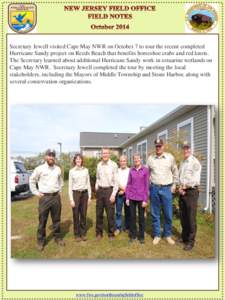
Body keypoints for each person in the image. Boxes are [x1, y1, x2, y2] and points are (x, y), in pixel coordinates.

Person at [29, 149, 65, 251]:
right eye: (49, 155)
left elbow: (60, 181)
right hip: (44, 198)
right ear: (45, 157)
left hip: (56, 198)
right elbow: (32, 180)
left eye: (53, 155)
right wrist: (36, 192)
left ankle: (57, 238)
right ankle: (41, 241)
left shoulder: (58, 169)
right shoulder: (39, 169)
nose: (51, 157)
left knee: (57, 220)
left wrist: (60, 190)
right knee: (42, 220)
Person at [147, 139, 178, 246]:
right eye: (156, 146)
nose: (158, 148)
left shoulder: (170, 157)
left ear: (163, 146)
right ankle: (157, 235)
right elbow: (147, 174)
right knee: (155, 213)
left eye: (160, 146)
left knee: (168, 213)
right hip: (154, 188)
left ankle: (167, 235)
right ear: (155, 147)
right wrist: (148, 187)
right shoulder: (150, 159)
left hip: (166, 189)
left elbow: (175, 171)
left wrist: (174, 185)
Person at [178, 141, 202, 251]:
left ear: (191, 149)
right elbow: (180, 177)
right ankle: (184, 237)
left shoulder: (195, 162)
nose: (186, 150)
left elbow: (195, 180)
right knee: (183, 216)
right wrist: (179, 187)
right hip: (182, 191)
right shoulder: (183, 162)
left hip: (191, 192)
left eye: (187, 148)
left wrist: (184, 187)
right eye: (184, 148)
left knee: (191, 217)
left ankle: (191, 241)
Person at [95, 147, 119, 240]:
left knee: (110, 214)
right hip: (100, 191)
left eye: (106, 153)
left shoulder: (113, 165)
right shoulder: (99, 165)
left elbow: (116, 181)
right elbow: (97, 177)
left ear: (109, 154)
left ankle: (111, 233)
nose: (104, 155)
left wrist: (113, 194)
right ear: (101, 155)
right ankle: (99, 233)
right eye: (103, 153)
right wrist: (96, 186)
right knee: (99, 213)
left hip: (109, 190)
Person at [125, 153, 149, 244]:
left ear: (140, 159)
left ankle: (141, 236)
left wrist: (145, 199)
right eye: (134, 159)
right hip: (132, 197)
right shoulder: (131, 170)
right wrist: (127, 197)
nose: (136, 160)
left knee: (141, 218)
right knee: (132, 217)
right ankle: (133, 235)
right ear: (133, 160)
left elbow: (147, 185)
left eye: (138, 158)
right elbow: (129, 184)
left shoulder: (145, 170)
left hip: (141, 198)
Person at [68, 153, 91, 242]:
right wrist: (71, 199)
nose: (78, 160)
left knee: (83, 214)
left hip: (84, 194)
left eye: (80, 159)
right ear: (75, 160)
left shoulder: (86, 170)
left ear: (82, 160)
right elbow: (70, 186)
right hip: (76, 194)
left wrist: (89, 197)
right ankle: (77, 234)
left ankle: (83, 233)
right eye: (77, 159)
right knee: (75, 214)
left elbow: (88, 183)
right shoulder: (71, 171)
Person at [114, 155, 130, 236]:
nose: (123, 162)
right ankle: (118, 228)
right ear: (119, 162)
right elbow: (116, 182)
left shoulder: (130, 171)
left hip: (128, 194)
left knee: (128, 211)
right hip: (119, 193)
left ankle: (127, 227)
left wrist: (125, 190)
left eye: (124, 161)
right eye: (121, 161)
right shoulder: (117, 171)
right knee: (118, 212)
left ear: (126, 161)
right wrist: (122, 189)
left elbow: (131, 183)